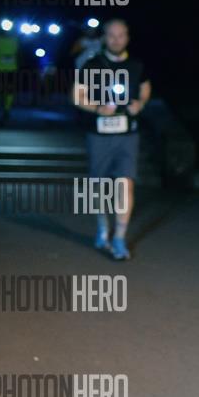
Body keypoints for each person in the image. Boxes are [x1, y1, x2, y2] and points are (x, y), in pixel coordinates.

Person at [72, 19, 151, 260]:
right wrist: (97, 108)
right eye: (111, 35)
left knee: (125, 184)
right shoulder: (91, 64)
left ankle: (119, 238)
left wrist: (140, 104)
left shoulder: (137, 65)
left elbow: (145, 88)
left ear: (127, 37)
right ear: (104, 38)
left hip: (127, 134)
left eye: (121, 35)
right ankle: (102, 229)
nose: (116, 40)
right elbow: (76, 96)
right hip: (99, 134)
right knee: (98, 187)